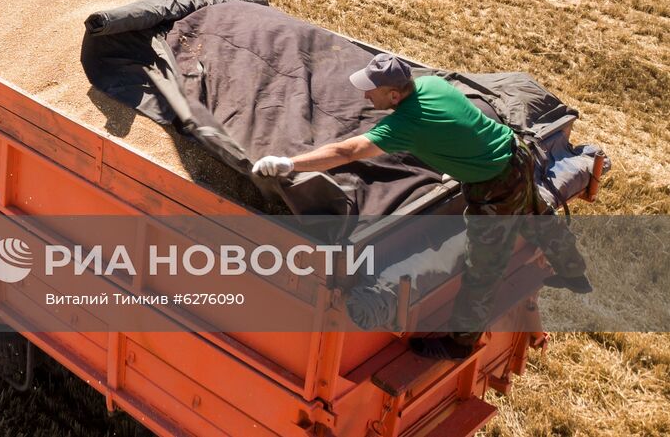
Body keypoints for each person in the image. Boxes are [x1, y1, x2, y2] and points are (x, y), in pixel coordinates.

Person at [252, 52, 591, 359]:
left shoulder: (406, 124)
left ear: (395, 95)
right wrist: (459, 155)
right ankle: (572, 268)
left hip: (495, 186)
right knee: (539, 217)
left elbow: (347, 152)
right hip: (516, 152)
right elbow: (458, 120)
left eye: (372, 90)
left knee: (483, 267)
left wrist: (288, 165)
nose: (365, 95)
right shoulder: (430, 84)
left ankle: (460, 343)